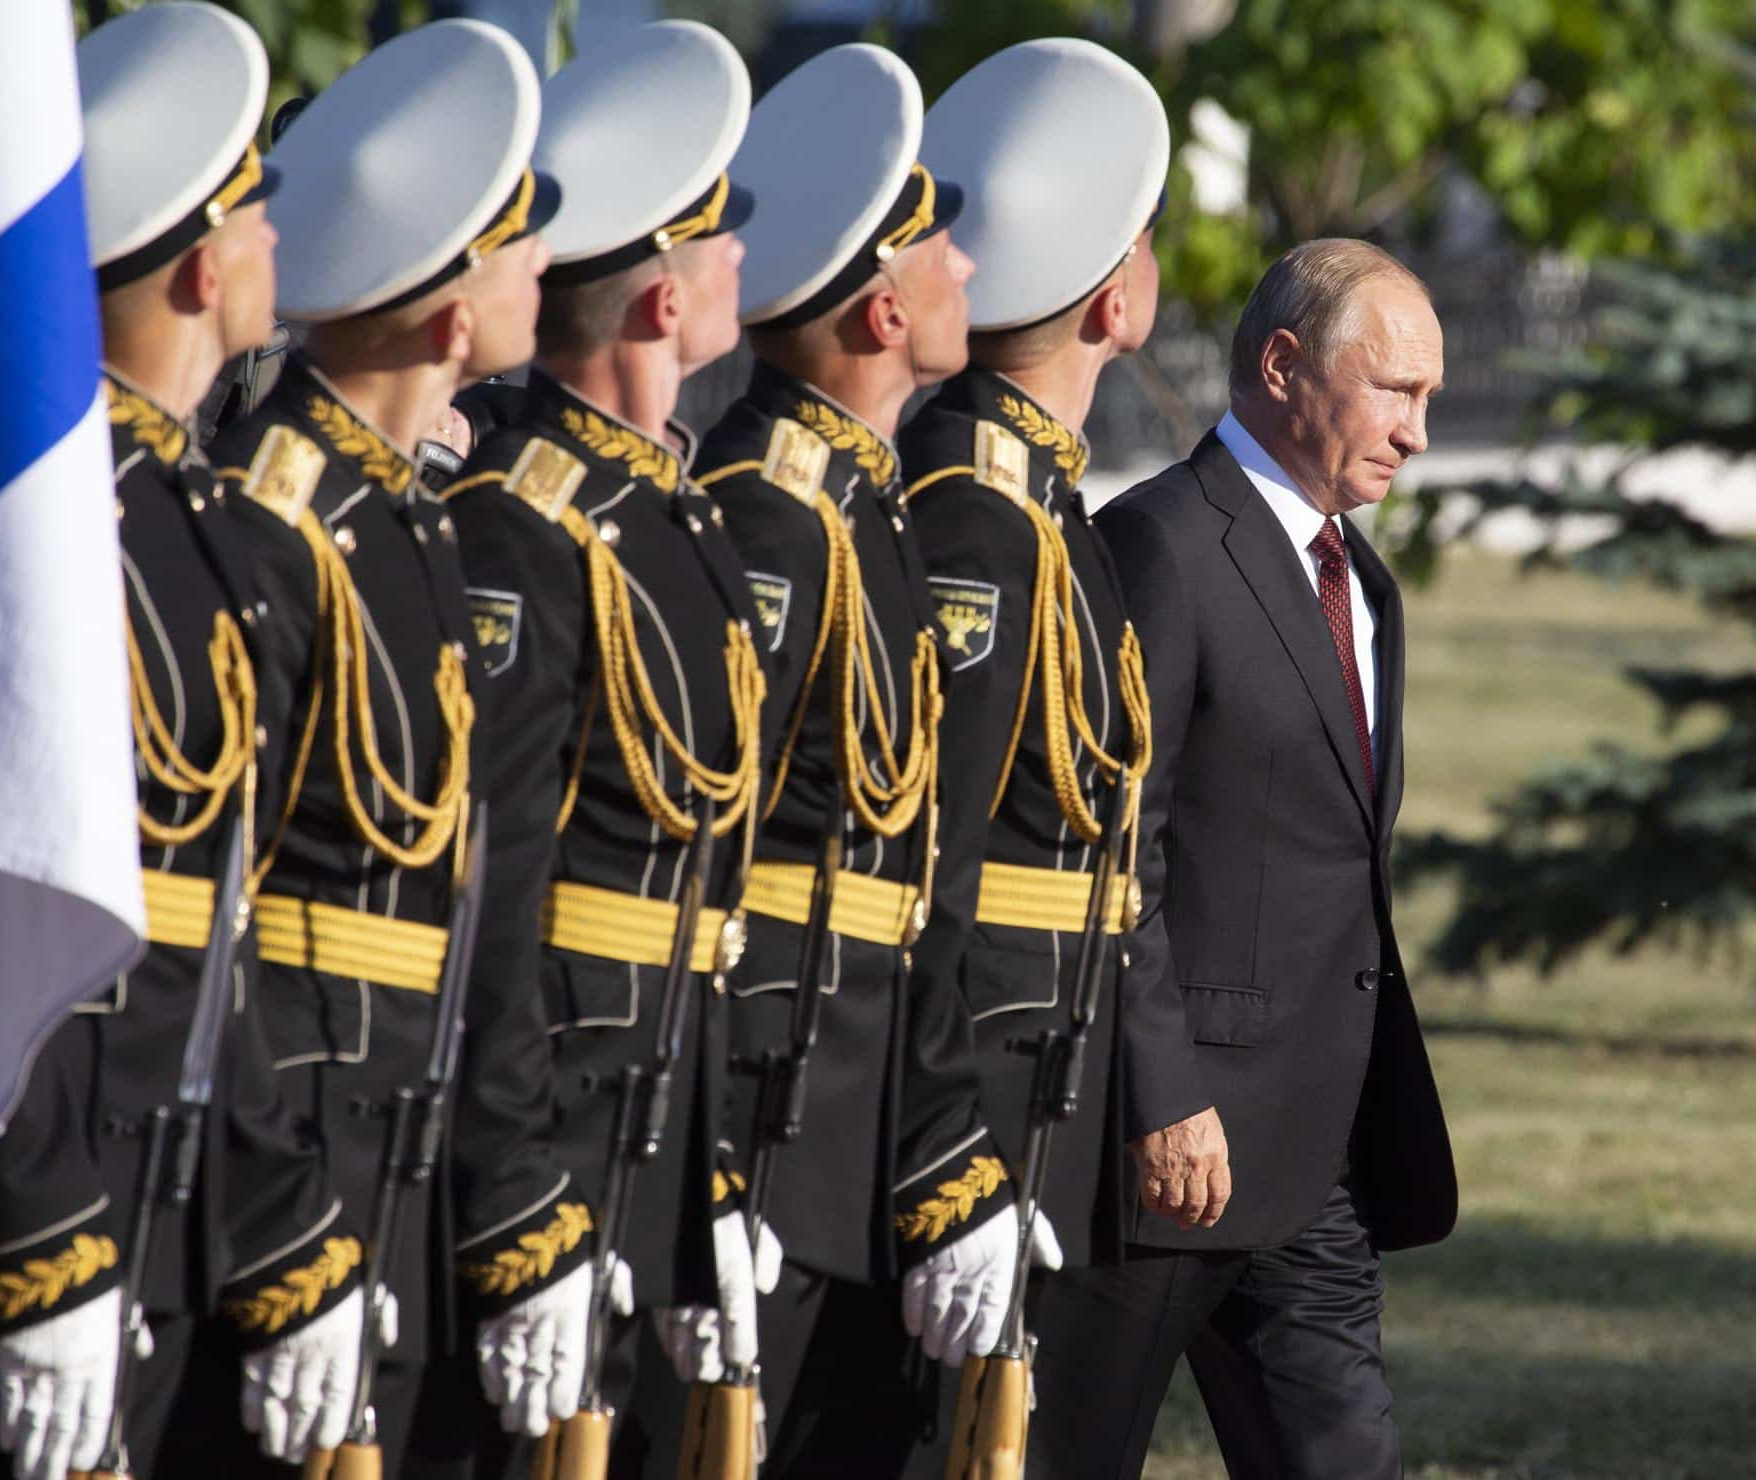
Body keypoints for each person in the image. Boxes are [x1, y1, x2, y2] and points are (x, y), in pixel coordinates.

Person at [0, 10, 371, 1479]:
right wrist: (46, 1235)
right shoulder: (60, 525)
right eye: (256, 217)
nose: (282, 247)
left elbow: (211, 915)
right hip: (30, 1214)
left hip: (158, 1203)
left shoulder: (187, 518)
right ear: (203, 266)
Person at [620, 43, 1030, 1478]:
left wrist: (937, 1150)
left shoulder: (863, 509)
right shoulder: (770, 521)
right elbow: (701, 874)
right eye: (937, 252)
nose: (969, 269)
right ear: (879, 306)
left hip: (852, 1115)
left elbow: (905, 880)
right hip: (770, 1115)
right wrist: (705, 1166)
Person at [184, 19, 557, 1473]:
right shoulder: (279, 534)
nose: (550, 271)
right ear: (457, 318)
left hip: (399, 1161)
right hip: (287, 1170)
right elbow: (219, 920)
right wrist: (285, 1239)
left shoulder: (402, 523)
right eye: (519, 247)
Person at [405, 22, 767, 1477]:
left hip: (659, 1119)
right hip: (551, 1125)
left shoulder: (671, 514)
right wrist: (517, 1203)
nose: (755, 260)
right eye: (728, 240)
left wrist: (710, 1176)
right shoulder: (528, 529)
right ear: (666, 296)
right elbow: (495, 898)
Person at [1060, 237, 1455, 1479]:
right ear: (1284, 365)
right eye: (1396, 390)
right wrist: (1161, 1094)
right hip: (1153, 1162)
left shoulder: (1367, 587)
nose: (1418, 433)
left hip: (1311, 1161)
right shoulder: (1159, 547)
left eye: (1430, 400)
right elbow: (1113, 852)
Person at [892, 38, 1176, 1473]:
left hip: (1046, 1062)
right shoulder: (978, 519)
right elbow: (926, 862)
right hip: (981, 1076)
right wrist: (950, 1152)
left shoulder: (1039, 505)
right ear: (1119, 295)